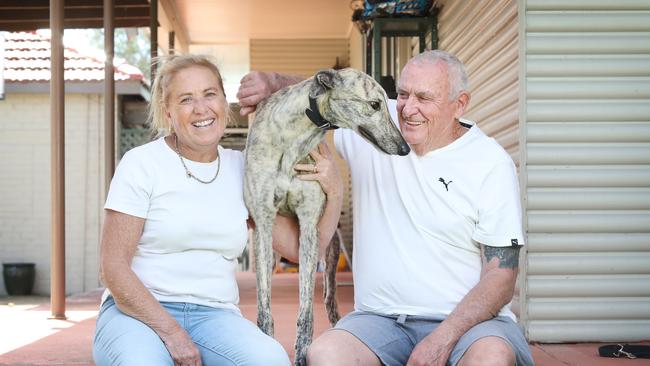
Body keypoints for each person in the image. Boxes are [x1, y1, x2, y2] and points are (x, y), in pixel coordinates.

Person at [236, 50, 534, 366]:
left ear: (459, 104)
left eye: (424, 98)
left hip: (468, 325)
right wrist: (273, 82)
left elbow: (500, 278)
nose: (407, 109)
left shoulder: (489, 163)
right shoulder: (375, 121)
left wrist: (442, 338)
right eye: (403, 94)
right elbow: (327, 90)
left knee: (492, 358)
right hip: (380, 320)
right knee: (326, 356)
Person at [93, 54, 343, 366]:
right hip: (137, 312)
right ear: (168, 111)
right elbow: (112, 268)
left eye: (210, 94)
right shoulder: (142, 163)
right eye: (186, 99)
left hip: (214, 315)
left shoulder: (243, 168)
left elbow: (301, 249)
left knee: (270, 360)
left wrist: (335, 191)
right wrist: (172, 333)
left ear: (225, 102)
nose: (201, 108)